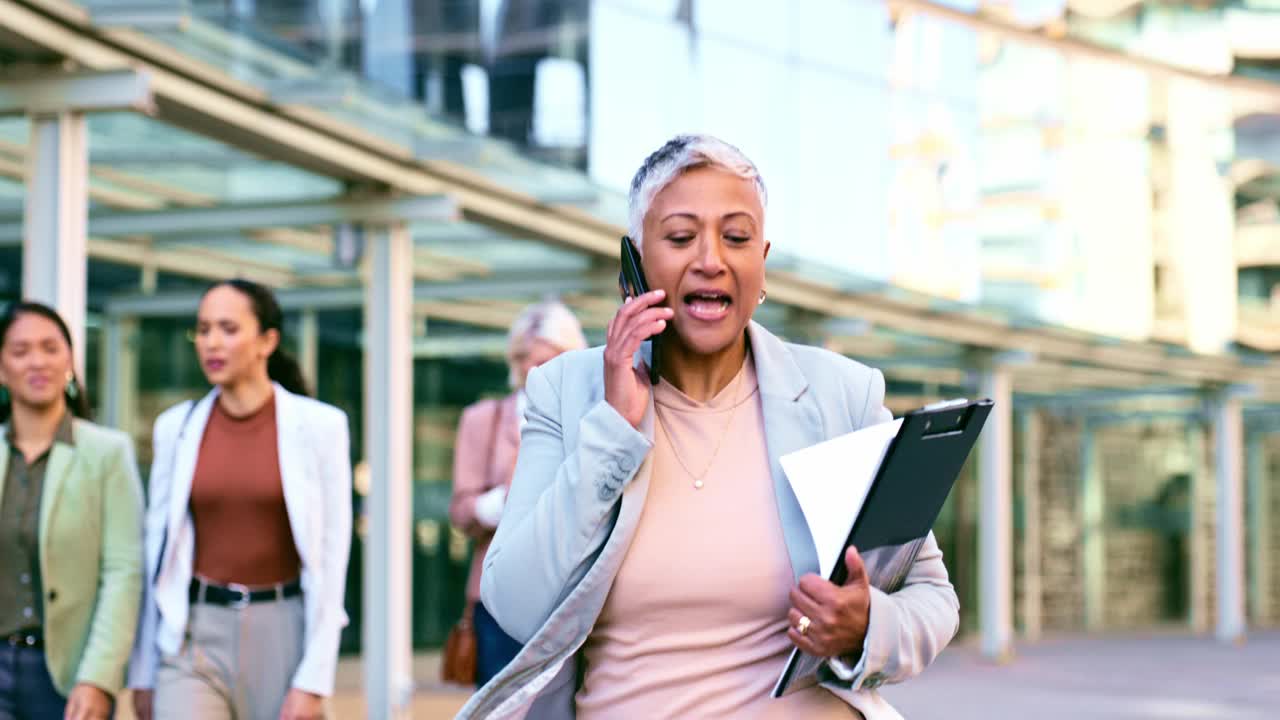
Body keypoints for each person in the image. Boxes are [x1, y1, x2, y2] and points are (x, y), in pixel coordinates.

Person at [458, 135, 960, 720]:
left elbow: (932, 597)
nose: (710, 259)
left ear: (762, 262)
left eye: (736, 237)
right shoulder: (567, 393)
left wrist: (865, 625)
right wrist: (613, 431)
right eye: (679, 237)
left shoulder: (840, 396)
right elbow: (516, 605)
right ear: (634, 260)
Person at [128, 280, 352, 720]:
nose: (212, 342)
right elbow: (156, 550)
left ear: (267, 340)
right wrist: (143, 670)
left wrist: (314, 680)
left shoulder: (320, 427)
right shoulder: (176, 427)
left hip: (281, 631)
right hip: (193, 633)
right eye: (204, 329)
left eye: (228, 329)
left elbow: (332, 555)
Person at [0, 301, 143, 720]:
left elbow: (124, 572)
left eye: (50, 347)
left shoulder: (107, 454)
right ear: (2, 367)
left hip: (67, 675)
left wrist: (99, 677)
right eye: (20, 351)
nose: (37, 362)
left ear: (70, 359)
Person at [448, 300, 588, 687]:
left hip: (569, 596)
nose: (535, 367)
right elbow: (461, 511)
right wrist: (503, 502)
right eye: (526, 357)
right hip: (497, 598)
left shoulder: (590, 418)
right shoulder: (484, 420)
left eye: (549, 358)